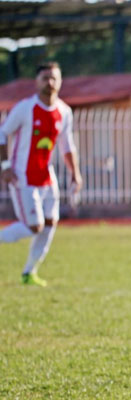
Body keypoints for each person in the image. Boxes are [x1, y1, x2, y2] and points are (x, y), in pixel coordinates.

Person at [0, 61, 83, 287]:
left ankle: (29, 272)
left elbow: (67, 145)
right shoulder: (25, 108)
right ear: (36, 82)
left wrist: (75, 173)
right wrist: (5, 166)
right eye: (45, 78)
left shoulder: (64, 112)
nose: (50, 82)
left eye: (54, 78)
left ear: (60, 81)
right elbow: (2, 133)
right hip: (23, 176)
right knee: (33, 226)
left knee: (49, 224)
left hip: (48, 177)